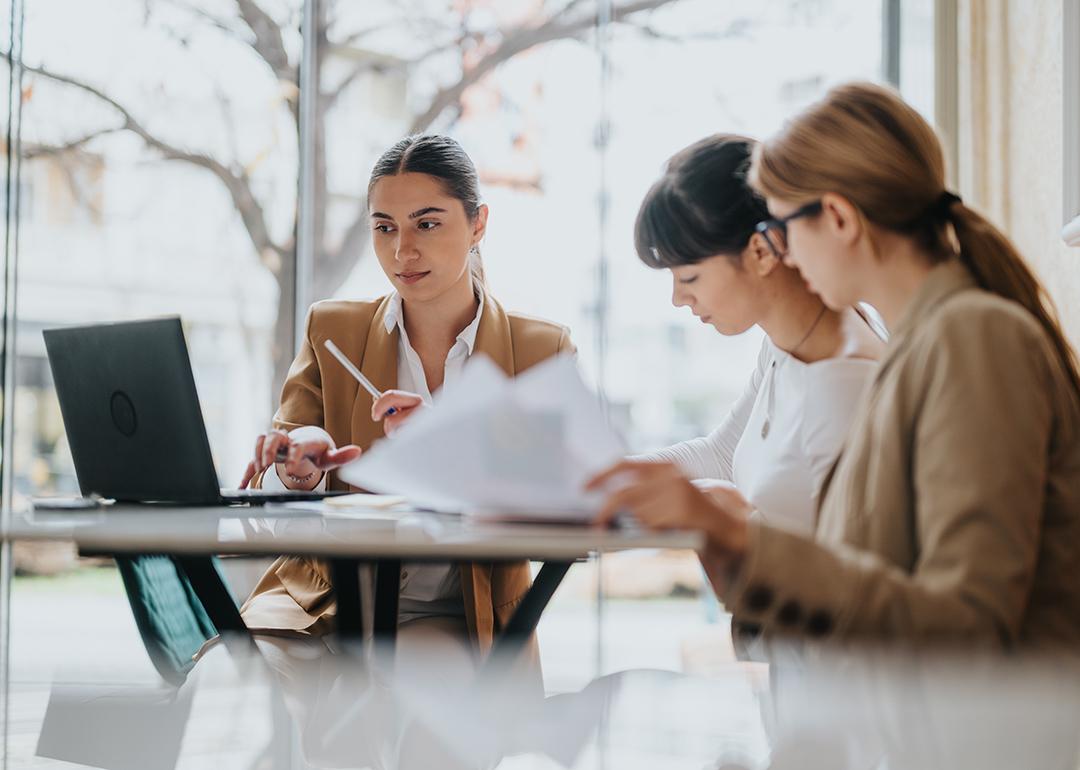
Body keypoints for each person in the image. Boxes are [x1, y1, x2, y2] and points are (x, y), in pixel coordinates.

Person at [591, 82, 1080, 650]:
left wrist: (737, 536)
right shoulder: (926, 343)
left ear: (840, 219)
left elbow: (965, 626)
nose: (782, 254)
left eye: (781, 229)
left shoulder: (972, 341)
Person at [237, 134, 574, 665]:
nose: (402, 251)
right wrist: (300, 468)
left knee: (416, 692)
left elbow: (556, 508)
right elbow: (272, 501)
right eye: (384, 227)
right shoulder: (333, 331)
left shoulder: (539, 350)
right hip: (318, 600)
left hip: (456, 615)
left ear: (478, 224)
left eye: (428, 222)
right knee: (237, 679)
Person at [631, 134, 883, 534]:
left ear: (762, 252)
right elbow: (723, 455)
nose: (679, 299)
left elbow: (846, 579)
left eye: (689, 277)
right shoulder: (786, 345)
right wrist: (604, 480)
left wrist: (725, 521)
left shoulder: (846, 384)